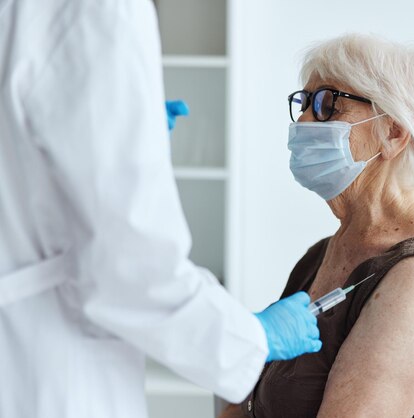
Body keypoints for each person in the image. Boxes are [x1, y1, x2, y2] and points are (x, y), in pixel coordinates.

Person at [0, 1, 320, 417]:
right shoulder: (96, 10)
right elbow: (130, 265)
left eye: (330, 104)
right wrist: (253, 337)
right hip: (42, 372)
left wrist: (123, 136)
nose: (307, 122)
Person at [221, 34, 414, 418]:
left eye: (328, 104)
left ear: (394, 133)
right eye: (304, 102)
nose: (303, 121)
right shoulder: (328, 250)